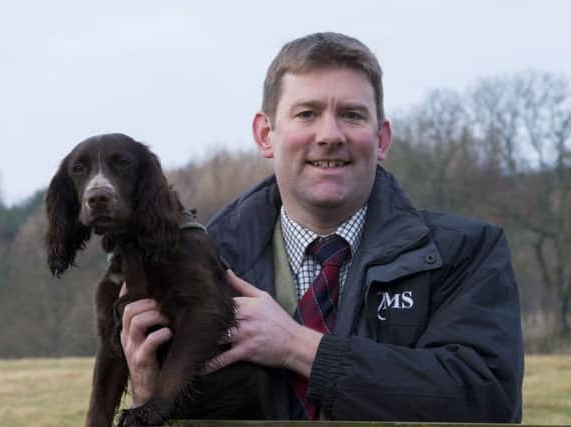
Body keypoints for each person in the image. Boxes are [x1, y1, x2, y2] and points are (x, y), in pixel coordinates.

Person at [119, 32, 524, 423]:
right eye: (306, 113)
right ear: (265, 135)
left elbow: (489, 401)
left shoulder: (467, 254)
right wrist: (150, 397)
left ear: (381, 139)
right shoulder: (202, 266)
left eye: (351, 114)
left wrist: (298, 346)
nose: (329, 135)